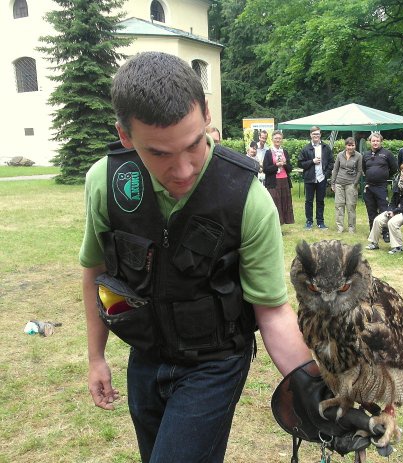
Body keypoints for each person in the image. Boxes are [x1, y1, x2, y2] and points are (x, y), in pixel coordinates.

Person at [80, 52, 317, 463]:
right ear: (125, 136)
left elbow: (273, 312)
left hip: (216, 361)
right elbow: (96, 273)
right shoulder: (107, 182)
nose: (184, 169)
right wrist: (96, 356)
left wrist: (313, 387)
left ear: (207, 115)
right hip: (146, 354)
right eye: (159, 154)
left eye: (194, 144)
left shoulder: (249, 199)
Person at [366, 162, 403, 254]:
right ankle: (374, 243)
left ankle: (398, 247)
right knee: (378, 219)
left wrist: (395, 211)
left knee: (392, 222)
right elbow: (393, 201)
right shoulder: (398, 183)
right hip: (397, 210)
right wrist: (390, 210)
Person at [362, 132, 398, 238]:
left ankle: (385, 232)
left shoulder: (387, 154)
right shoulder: (366, 155)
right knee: (371, 210)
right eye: (373, 141)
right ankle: (372, 232)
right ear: (370, 142)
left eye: (377, 141)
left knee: (384, 210)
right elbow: (364, 168)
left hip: (381, 187)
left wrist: (384, 175)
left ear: (381, 142)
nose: (375, 143)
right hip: (369, 187)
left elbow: (394, 168)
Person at [298, 126, 333, 230]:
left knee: (320, 201)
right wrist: (312, 161)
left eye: (317, 134)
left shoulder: (326, 148)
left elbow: (331, 162)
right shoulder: (305, 148)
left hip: (322, 178)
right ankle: (309, 221)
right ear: (310, 135)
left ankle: (320, 222)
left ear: (320, 135)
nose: (316, 136)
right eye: (314, 134)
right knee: (308, 201)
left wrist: (326, 174)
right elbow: (300, 163)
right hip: (309, 178)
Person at [331, 137, 362, 233]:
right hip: (339, 183)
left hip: (351, 184)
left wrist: (355, 183)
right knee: (339, 206)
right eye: (349, 145)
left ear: (355, 146)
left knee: (351, 206)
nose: (350, 147)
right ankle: (340, 227)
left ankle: (351, 227)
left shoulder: (358, 156)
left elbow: (359, 171)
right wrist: (333, 183)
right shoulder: (340, 155)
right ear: (345, 145)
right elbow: (335, 169)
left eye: (352, 145)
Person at [263, 130, 295, 225]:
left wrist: (284, 164)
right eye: (276, 138)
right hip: (273, 182)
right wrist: (276, 165)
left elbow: (290, 168)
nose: (278, 140)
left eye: (280, 138)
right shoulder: (268, 152)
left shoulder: (284, 152)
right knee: (275, 202)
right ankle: (276, 224)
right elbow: (266, 169)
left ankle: (284, 222)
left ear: (282, 140)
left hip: (284, 180)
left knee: (284, 202)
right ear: (272, 139)